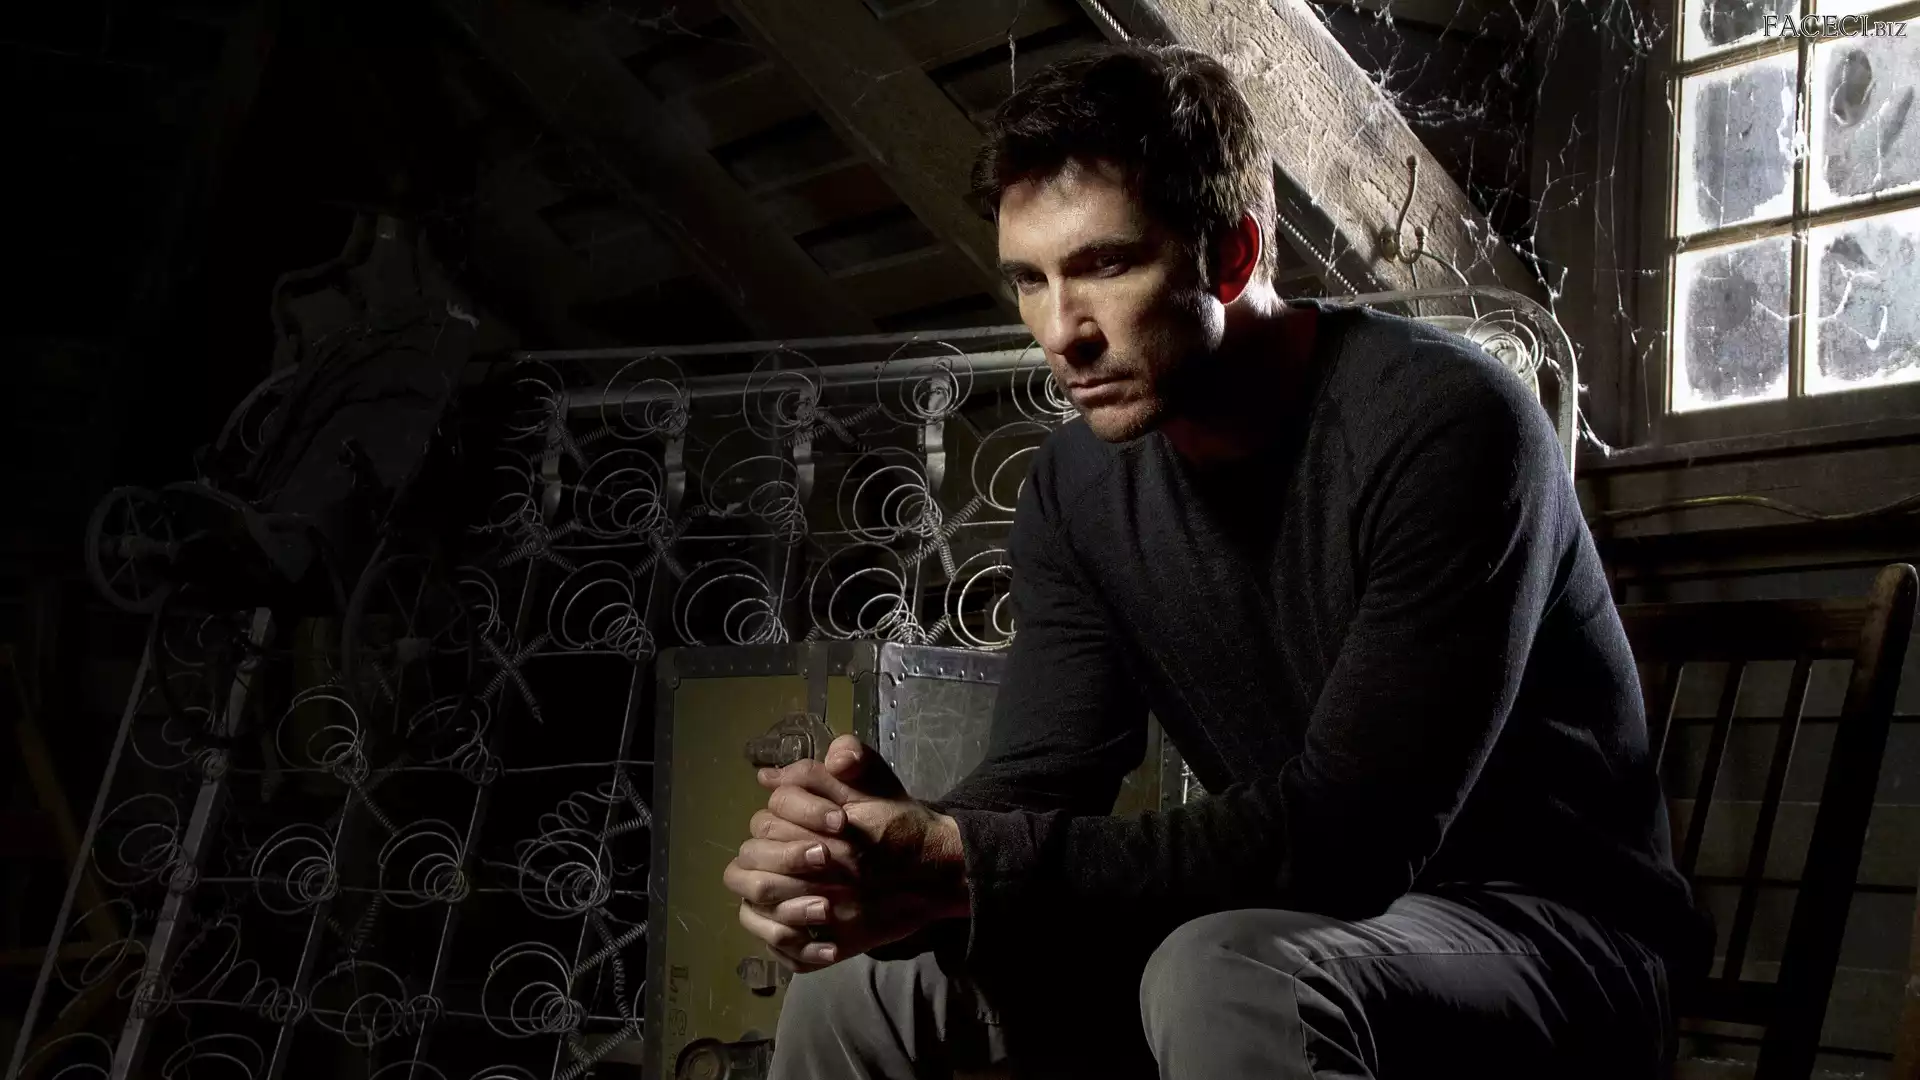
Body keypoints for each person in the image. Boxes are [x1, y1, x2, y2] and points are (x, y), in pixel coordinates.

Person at [721, 41, 1705, 1080]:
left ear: (1232, 257)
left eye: (1106, 266)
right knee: (861, 985)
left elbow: (1353, 837)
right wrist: (880, 853)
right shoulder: (1077, 486)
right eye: (1030, 281)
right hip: (1292, 921)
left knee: (1226, 972)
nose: (1062, 333)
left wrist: (961, 861)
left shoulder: (1448, 424)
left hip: (1555, 940)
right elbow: (1043, 780)